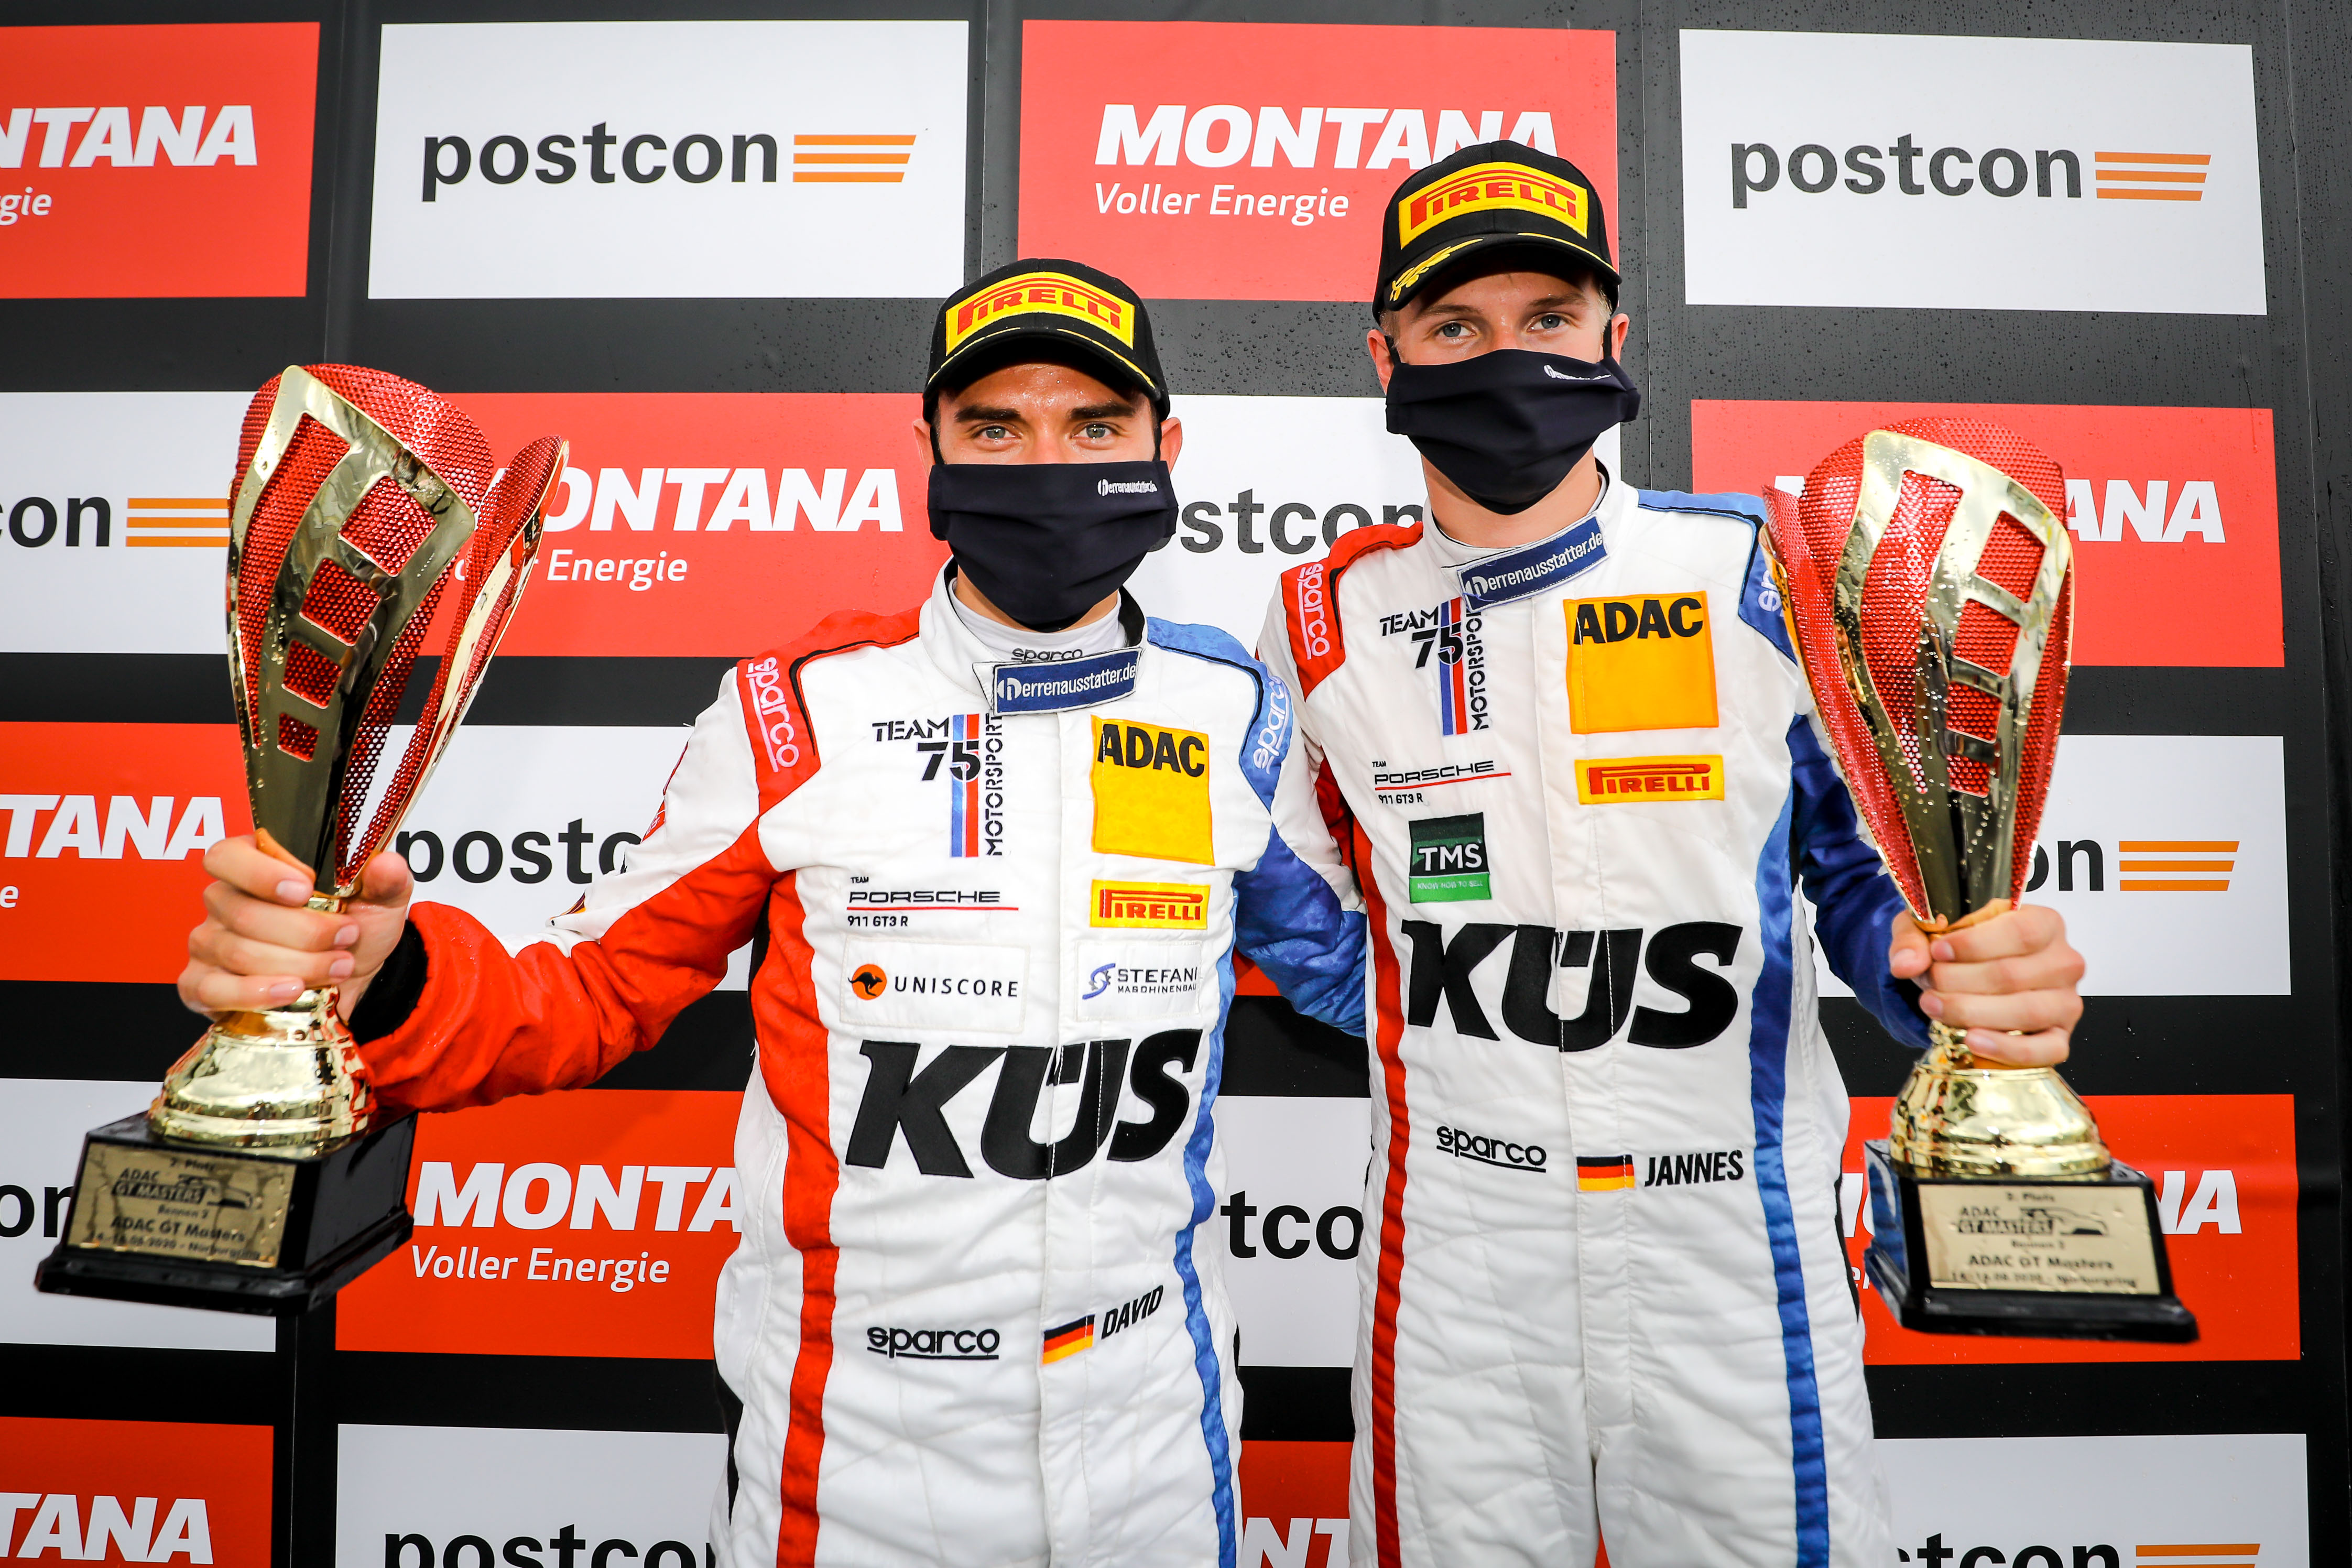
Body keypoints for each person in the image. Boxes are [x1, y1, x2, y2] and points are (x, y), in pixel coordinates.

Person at [181, 258, 1365, 1568]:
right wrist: (387, 972)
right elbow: (591, 990)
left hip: (1154, 1433)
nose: (1045, 462)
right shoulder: (800, 711)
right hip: (857, 1446)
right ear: (928, 451)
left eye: (1094, 427)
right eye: (994, 429)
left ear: (1164, 451)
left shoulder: (1231, 711)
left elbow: (1366, 972)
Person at [1257, 144, 2087, 1567]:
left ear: (1614, 338)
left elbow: (1861, 880)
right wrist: (1433, 1026)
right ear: (1384, 356)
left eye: (1549, 317)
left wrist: (1937, 970)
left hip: (1729, 1247)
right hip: (1457, 1257)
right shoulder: (1321, 619)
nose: (1504, 355)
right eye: (1454, 325)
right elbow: (1303, 924)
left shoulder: (1762, 575)